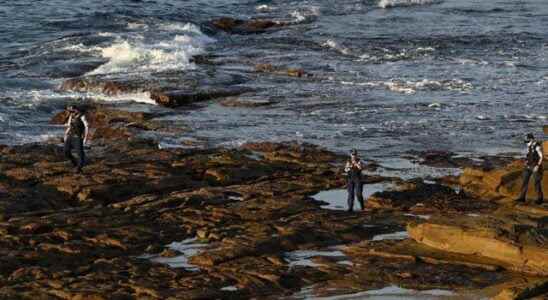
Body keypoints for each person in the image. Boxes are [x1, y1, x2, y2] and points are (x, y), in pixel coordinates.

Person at [515, 133, 544, 205]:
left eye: (527, 141)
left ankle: (539, 199)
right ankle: (522, 197)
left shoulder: (537, 146)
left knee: (536, 182)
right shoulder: (529, 146)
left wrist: (537, 166)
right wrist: (526, 161)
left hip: (535, 166)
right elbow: (528, 154)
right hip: (528, 166)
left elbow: (541, 157)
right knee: (525, 181)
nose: (526, 143)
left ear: (531, 139)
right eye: (526, 142)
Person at [64, 105, 89, 173]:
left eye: (72, 110)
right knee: (66, 151)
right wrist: (66, 134)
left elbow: (87, 126)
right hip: (70, 136)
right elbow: (69, 126)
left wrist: (85, 138)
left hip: (78, 137)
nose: (70, 111)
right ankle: (75, 164)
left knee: (80, 153)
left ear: (76, 109)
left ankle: (79, 167)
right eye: (69, 110)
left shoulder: (82, 116)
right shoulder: (71, 116)